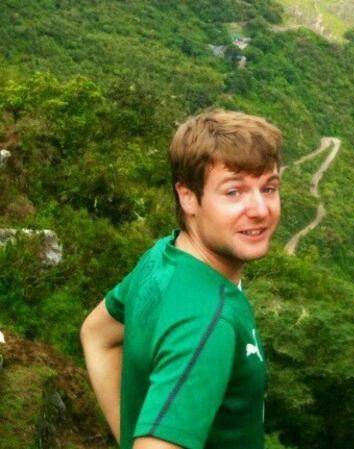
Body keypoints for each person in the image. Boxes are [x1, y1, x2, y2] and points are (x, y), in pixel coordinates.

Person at [80, 110, 282, 449]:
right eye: (234, 192)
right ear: (188, 196)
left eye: (269, 188)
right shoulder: (208, 321)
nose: (260, 209)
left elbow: (97, 335)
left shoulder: (162, 258)